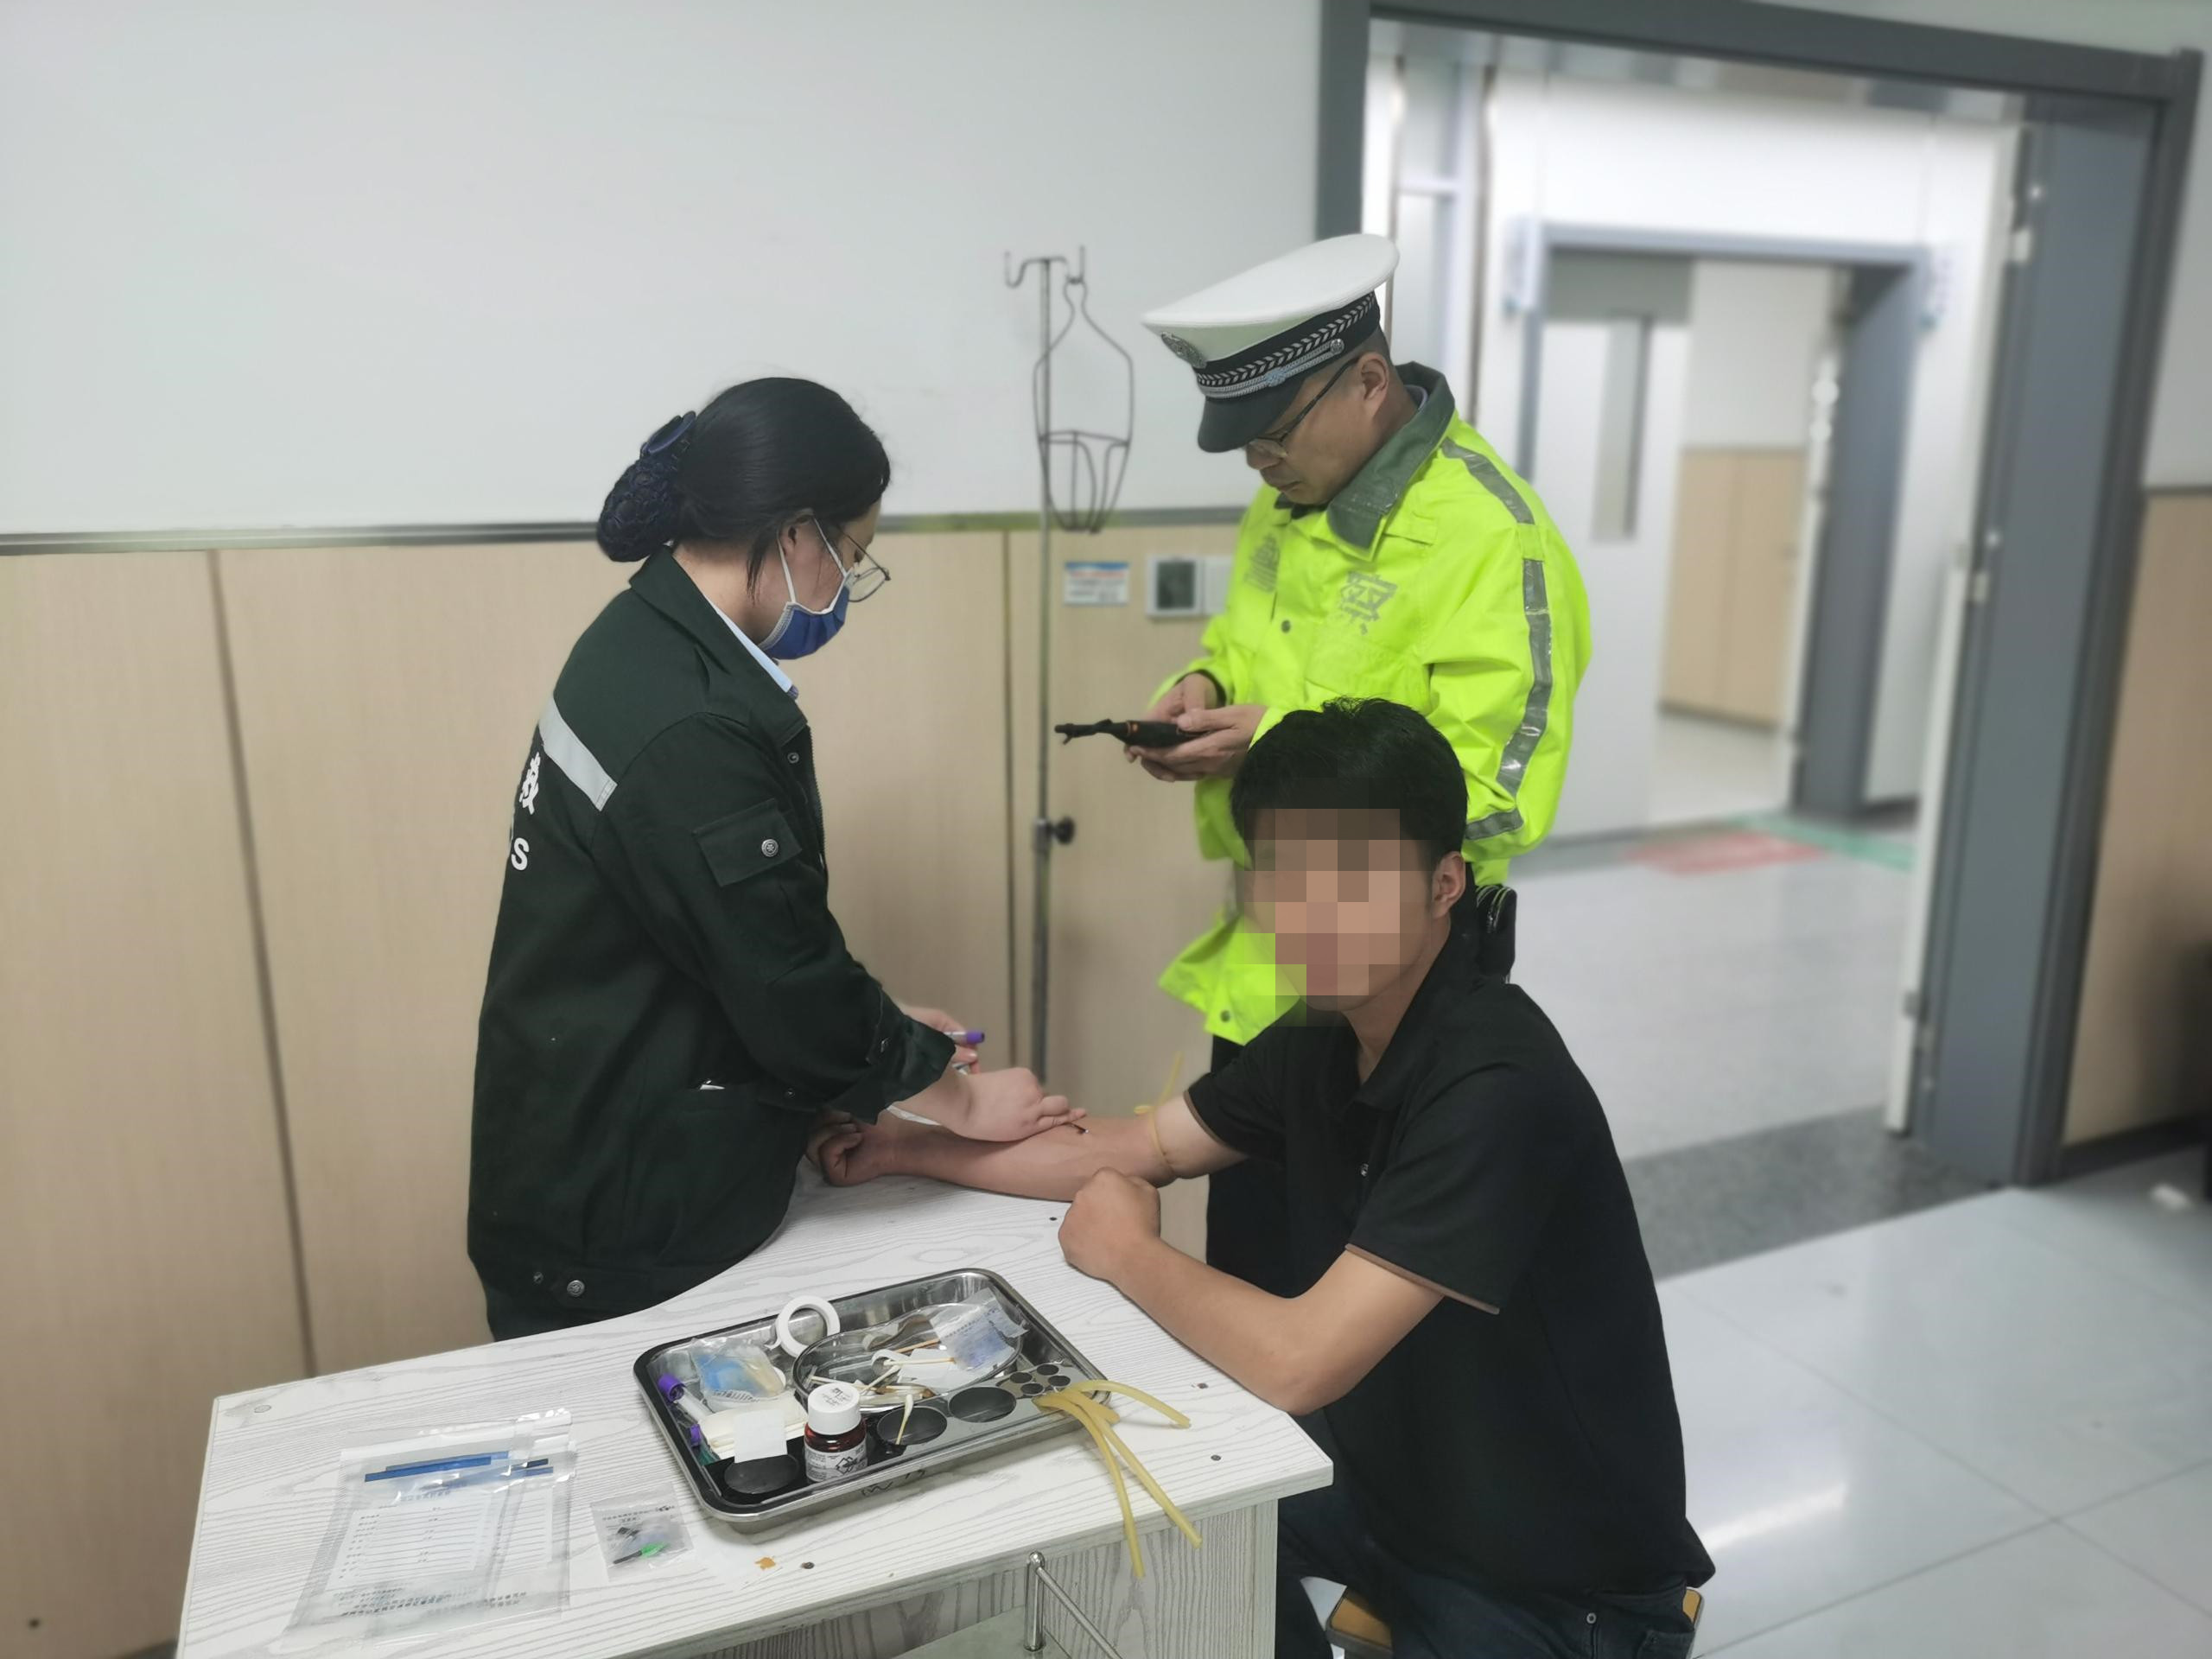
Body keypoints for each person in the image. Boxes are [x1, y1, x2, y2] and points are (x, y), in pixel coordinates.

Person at [814, 700, 1707, 1659]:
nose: (1308, 912)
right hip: (1395, 1488)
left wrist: (1127, 1251)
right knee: (1150, 1523)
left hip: (1549, 1571)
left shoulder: (1497, 1082)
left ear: (1443, 883)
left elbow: (1298, 1361)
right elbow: (1143, 1146)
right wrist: (908, 1149)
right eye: (1281, 873)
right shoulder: (1330, 1029)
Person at [468, 378, 1077, 1341]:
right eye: (853, 556)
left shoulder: (643, 640)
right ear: (797, 535)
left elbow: (727, 937)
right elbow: (786, 981)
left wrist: (887, 1038)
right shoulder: (693, 724)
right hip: (620, 1212)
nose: (845, 588)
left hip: (600, 1138)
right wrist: (959, 1099)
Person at [1128, 232, 1592, 1300]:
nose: (1258, 462)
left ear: (1369, 383)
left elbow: (1494, 798)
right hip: (1269, 969)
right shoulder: (1290, 497)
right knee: (1251, 1265)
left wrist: (1275, 745)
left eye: (1273, 433)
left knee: (1352, 1308)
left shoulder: (1491, 538)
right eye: (1244, 442)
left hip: (1392, 993)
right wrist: (1201, 686)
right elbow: (1251, 645)